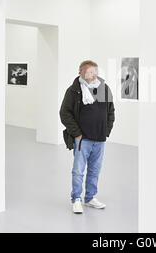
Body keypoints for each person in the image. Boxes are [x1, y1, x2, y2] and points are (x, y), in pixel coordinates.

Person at [59, 60, 115, 214]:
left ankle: (90, 198)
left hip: (100, 139)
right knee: (78, 171)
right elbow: (64, 113)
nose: (92, 74)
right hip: (82, 139)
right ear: (81, 73)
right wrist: (76, 133)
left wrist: (106, 131)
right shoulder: (74, 90)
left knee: (95, 170)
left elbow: (111, 111)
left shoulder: (104, 88)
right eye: (88, 71)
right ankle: (76, 199)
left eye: (94, 71)